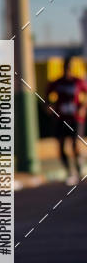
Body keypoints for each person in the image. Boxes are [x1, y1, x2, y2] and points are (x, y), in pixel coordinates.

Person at [46, 57, 86, 186]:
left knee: (75, 144)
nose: (67, 70)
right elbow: (47, 96)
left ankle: (79, 168)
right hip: (61, 118)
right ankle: (70, 171)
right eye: (65, 67)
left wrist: (83, 107)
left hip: (75, 118)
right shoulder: (57, 82)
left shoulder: (78, 82)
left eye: (69, 67)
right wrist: (49, 106)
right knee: (61, 145)